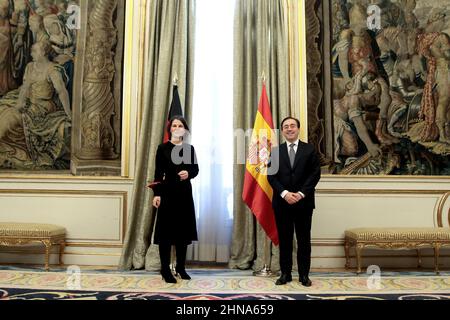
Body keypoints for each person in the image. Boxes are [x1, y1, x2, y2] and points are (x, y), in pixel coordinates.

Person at [268, 117, 321, 287]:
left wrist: (300, 193)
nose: (289, 129)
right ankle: (285, 274)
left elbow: (315, 174)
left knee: (304, 240)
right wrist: (284, 193)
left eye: (292, 126)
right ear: (282, 131)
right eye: (286, 127)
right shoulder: (276, 152)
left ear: (298, 129)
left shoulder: (310, 149)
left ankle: (304, 275)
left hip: (303, 203)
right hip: (282, 203)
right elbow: (271, 176)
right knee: (285, 240)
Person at [152, 116, 199, 284]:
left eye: (180, 125)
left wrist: (189, 173)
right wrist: (156, 194)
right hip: (167, 194)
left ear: (184, 130)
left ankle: (180, 268)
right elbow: (157, 173)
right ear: (170, 129)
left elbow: (195, 169)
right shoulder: (162, 148)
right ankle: (165, 270)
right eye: (174, 125)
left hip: (184, 194)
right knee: (165, 234)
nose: (177, 127)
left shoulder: (189, 149)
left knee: (182, 233)